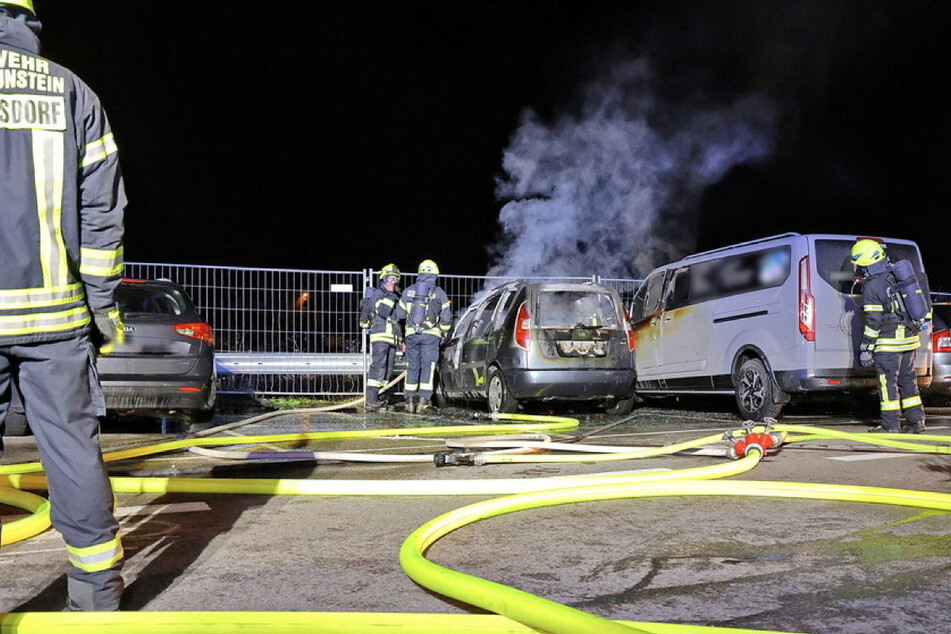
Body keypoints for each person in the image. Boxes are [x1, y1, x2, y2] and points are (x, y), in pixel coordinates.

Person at [0, 0, 126, 610]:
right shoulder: (72, 91)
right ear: (28, 20)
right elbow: (103, 212)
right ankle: (96, 600)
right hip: (55, 316)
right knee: (73, 449)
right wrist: (102, 306)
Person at [851, 239, 926, 434]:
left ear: (865, 262)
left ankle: (890, 425)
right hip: (909, 340)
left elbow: (874, 321)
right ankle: (916, 421)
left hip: (888, 343)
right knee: (908, 380)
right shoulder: (894, 276)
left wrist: (867, 347)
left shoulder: (873, 285)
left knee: (887, 383)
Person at [395, 260, 452, 413]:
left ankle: (409, 402)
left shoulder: (408, 291)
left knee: (412, 367)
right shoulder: (439, 292)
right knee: (428, 367)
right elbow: (446, 318)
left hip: (412, 336)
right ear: (434, 274)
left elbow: (399, 314)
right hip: (431, 337)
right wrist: (443, 333)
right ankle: (423, 404)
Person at [360, 264, 402, 411]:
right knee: (378, 367)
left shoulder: (396, 296)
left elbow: (397, 319)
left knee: (388, 371)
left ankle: (382, 398)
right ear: (384, 280)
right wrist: (390, 294)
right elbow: (383, 311)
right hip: (380, 337)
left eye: (396, 279)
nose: (394, 282)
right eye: (391, 278)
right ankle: (371, 400)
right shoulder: (378, 294)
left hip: (392, 339)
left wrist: (401, 341)